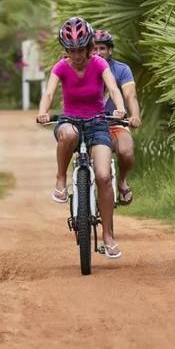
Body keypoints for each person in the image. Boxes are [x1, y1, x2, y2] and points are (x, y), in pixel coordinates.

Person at [37, 17, 126, 259]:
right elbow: (49, 92)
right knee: (67, 134)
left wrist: (119, 108)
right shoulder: (61, 67)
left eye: (80, 49)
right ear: (65, 50)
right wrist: (43, 112)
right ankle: (60, 178)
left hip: (98, 124)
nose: (76, 55)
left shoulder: (98, 64)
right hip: (71, 121)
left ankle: (108, 235)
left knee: (104, 176)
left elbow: (114, 88)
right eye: (71, 50)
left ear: (88, 47)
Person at [93, 29, 141, 205]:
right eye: (94, 49)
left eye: (102, 48)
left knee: (126, 152)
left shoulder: (121, 69)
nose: (98, 53)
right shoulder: (84, 68)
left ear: (110, 50)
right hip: (90, 124)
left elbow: (130, 96)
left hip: (115, 124)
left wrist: (134, 115)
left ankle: (121, 181)